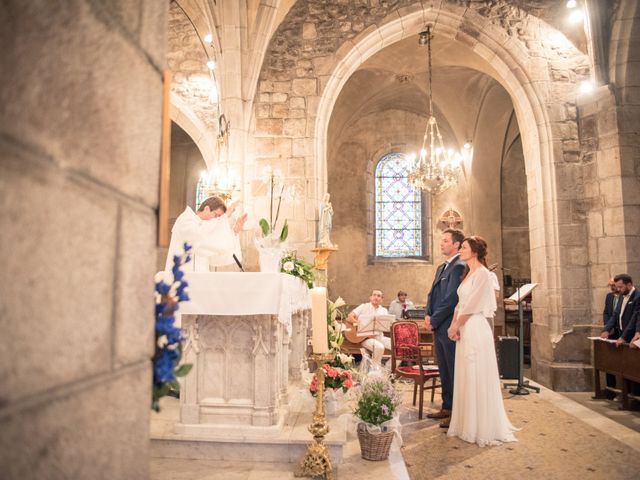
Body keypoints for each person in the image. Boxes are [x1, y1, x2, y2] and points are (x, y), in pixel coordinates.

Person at [446, 236, 518, 446]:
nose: (461, 250)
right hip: (463, 326)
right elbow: (460, 304)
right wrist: (455, 325)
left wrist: (455, 325)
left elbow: (473, 306)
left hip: (475, 327)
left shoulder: (484, 275)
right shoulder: (467, 273)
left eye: (465, 248)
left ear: (475, 251)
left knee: (476, 374)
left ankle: (480, 427)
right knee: (466, 375)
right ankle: (465, 424)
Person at [424, 228, 466, 427]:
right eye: (441, 241)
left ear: (457, 244)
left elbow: (451, 299)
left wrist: (435, 318)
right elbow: (432, 294)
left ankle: (456, 412)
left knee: (452, 368)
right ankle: (447, 406)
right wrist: (427, 313)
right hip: (437, 324)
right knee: (443, 368)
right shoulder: (442, 267)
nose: (441, 244)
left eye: (446, 241)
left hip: (448, 325)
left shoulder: (458, 266)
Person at [165, 196, 247, 272]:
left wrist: (235, 231)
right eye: (216, 215)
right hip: (182, 275)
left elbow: (215, 254)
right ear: (207, 208)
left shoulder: (205, 229)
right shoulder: (185, 219)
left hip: (202, 277)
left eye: (219, 218)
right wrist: (225, 216)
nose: (217, 221)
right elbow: (197, 237)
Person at [346, 289, 391, 365]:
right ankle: (375, 370)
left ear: (382, 299)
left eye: (379, 296)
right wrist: (359, 324)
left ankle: (387, 368)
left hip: (380, 337)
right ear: (370, 297)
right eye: (374, 295)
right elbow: (350, 317)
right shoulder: (363, 306)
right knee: (379, 347)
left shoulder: (384, 310)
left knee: (398, 347)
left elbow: (387, 325)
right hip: (365, 338)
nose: (376, 297)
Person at [601, 274, 638, 345]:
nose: (618, 289)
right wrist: (606, 330)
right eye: (617, 287)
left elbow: (634, 319)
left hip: (631, 336)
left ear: (629, 285)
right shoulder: (622, 295)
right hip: (621, 334)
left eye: (620, 287)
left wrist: (624, 337)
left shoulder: (637, 297)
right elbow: (615, 314)